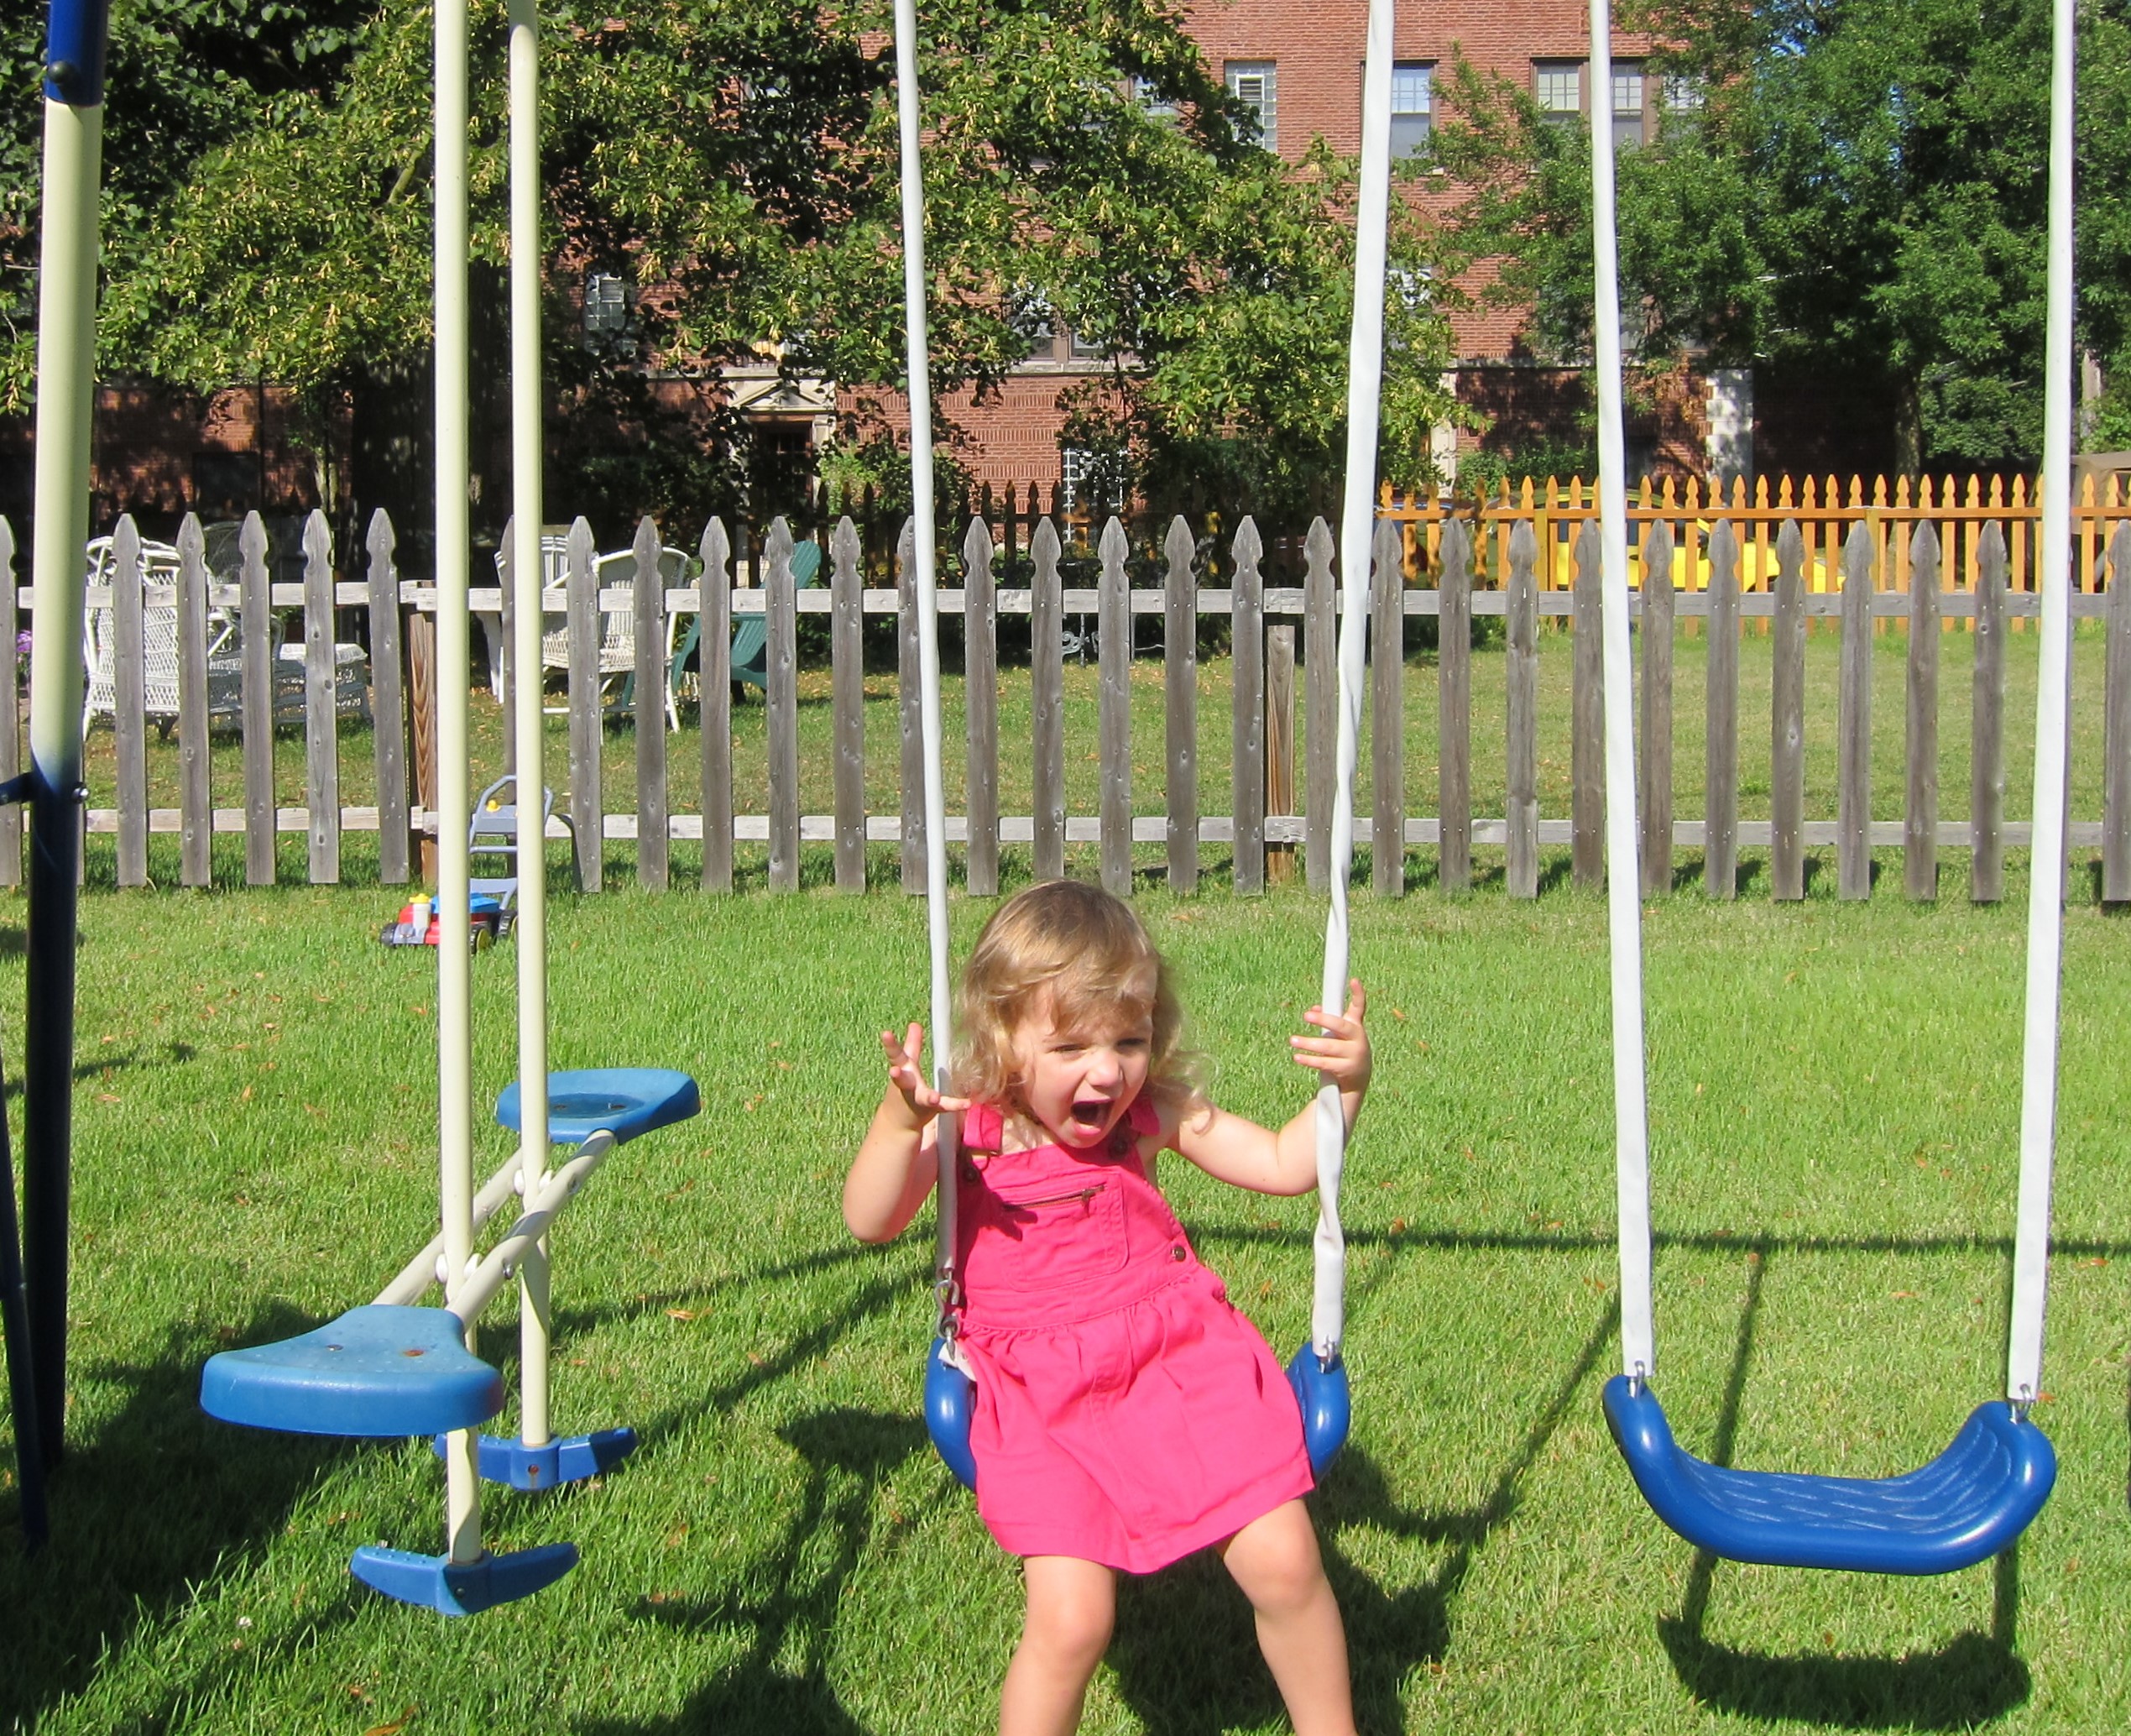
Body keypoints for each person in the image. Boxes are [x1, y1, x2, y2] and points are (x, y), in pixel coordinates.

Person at [844, 879, 1371, 1736]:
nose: (1107, 1070)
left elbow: (1284, 1163)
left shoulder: (1147, 1115)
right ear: (1003, 1038)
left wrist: (1346, 1086)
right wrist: (900, 1124)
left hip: (1176, 1364)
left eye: (1129, 1038)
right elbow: (870, 1219)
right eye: (1071, 1046)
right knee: (1072, 1620)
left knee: (1285, 1563)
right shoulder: (967, 1133)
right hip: (1039, 1398)